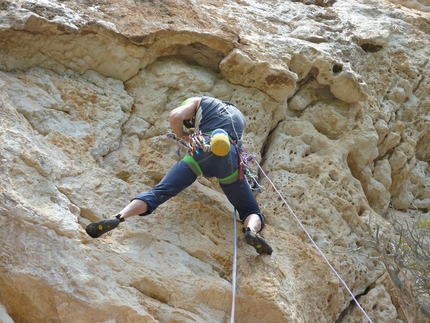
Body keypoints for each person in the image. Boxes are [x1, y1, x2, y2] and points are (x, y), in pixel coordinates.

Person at [86, 96, 272, 255]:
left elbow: (175, 116)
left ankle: (118, 216)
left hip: (199, 152)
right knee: (250, 210)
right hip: (229, 160)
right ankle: (251, 230)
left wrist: (182, 134)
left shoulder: (200, 101)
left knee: (159, 192)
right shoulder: (239, 118)